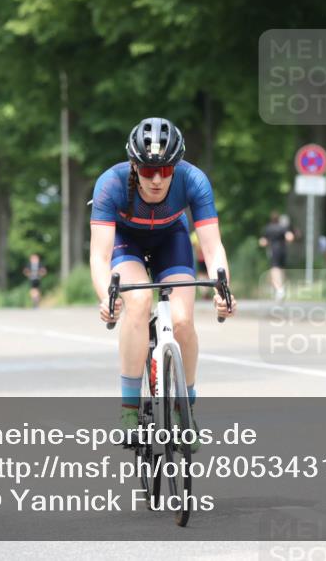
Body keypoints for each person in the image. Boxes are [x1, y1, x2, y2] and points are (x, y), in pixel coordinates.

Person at [89, 117, 236, 439]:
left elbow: (212, 248)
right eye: (146, 170)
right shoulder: (110, 184)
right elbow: (100, 256)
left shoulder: (194, 180)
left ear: (177, 166)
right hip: (126, 242)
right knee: (138, 300)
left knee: (183, 320)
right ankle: (129, 408)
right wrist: (106, 298)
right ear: (133, 166)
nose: (156, 179)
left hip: (172, 239)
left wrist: (223, 290)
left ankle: (186, 410)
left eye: (166, 170)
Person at [259, 211, 294, 302]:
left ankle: (279, 289)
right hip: (283, 250)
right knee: (282, 269)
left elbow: (262, 242)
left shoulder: (268, 228)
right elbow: (290, 237)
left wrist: (267, 242)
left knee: (274, 269)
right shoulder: (283, 227)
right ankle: (281, 287)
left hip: (273, 250)